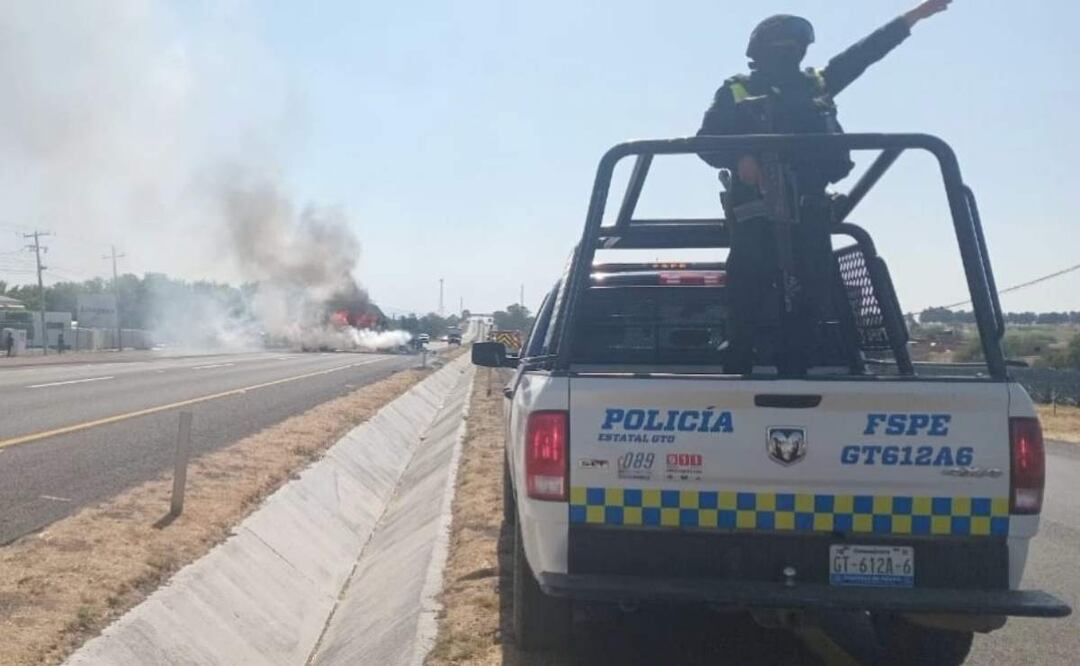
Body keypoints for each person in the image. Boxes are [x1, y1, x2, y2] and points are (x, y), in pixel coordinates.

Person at [697, 1, 952, 374]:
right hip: (755, 211)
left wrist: (916, 15)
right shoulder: (735, 90)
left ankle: (798, 360)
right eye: (782, 47)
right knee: (747, 283)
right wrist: (741, 158)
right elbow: (705, 142)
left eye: (796, 48)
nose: (791, 54)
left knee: (814, 287)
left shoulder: (816, 83)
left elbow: (864, 54)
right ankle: (739, 353)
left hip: (811, 209)